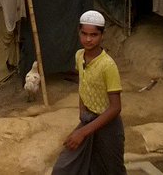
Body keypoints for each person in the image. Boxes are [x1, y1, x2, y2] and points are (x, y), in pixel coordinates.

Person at [52, 10, 124, 175]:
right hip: (88, 119)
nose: (88, 39)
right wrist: (82, 112)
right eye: (84, 34)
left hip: (108, 125)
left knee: (112, 169)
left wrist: (83, 132)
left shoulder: (108, 65)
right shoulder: (79, 56)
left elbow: (115, 108)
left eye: (94, 35)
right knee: (63, 167)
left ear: (102, 35)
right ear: (79, 32)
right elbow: (83, 85)